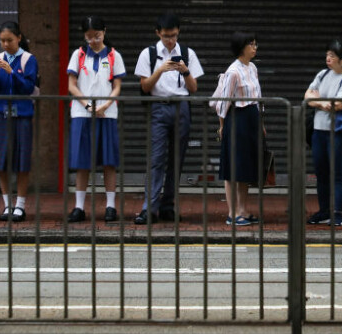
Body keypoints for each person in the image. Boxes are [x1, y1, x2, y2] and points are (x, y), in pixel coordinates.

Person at [133, 12, 204, 225]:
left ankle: (167, 206)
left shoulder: (187, 52)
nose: (170, 40)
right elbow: (145, 86)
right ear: (158, 33)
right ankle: (149, 208)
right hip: (158, 107)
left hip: (181, 107)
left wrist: (185, 71)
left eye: (173, 35)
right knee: (156, 159)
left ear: (178, 32)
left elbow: (193, 88)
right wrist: (160, 70)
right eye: (166, 36)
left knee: (177, 160)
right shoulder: (149, 53)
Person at [66, 16, 126, 223]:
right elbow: (72, 85)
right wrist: (88, 106)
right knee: (82, 162)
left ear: (105, 32)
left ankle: (110, 206)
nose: (93, 40)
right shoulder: (78, 54)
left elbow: (117, 86)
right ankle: (79, 207)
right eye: (89, 37)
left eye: (97, 35)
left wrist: (105, 105)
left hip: (107, 114)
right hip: (82, 113)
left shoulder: (113, 55)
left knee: (109, 161)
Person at [0, 21, 39, 223]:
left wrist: (11, 73)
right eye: (2, 41)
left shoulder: (28, 59)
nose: (5, 44)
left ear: (19, 38)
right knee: (1, 159)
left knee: (22, 159)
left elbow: (27, 88)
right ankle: (7, 203)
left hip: (22, 113)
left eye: (9, 40)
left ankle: (20, 205)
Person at [304, 39, 342, 227]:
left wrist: (320, 101)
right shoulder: (322, 74)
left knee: (338, 172)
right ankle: (324, 210)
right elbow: (308, 97)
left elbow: (340, 104)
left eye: (332, 56)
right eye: (327, 54)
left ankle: (337, 212)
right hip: (319, 130)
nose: (328, 58)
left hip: (339, 132)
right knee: (321, 172)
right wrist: (321, 103)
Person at [214, 31, 264, 226]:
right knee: (232, 167)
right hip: (236, 120)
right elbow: (223, 102)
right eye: (251, 44)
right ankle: (232, 212)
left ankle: (243, 209)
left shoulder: (252, 67)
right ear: (241, 47)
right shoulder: (233, 71)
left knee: (245, 168)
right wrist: (221, 126)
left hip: (251, 118)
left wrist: (261, 123)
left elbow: (258, 97)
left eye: (255, 44)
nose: (255, 47)